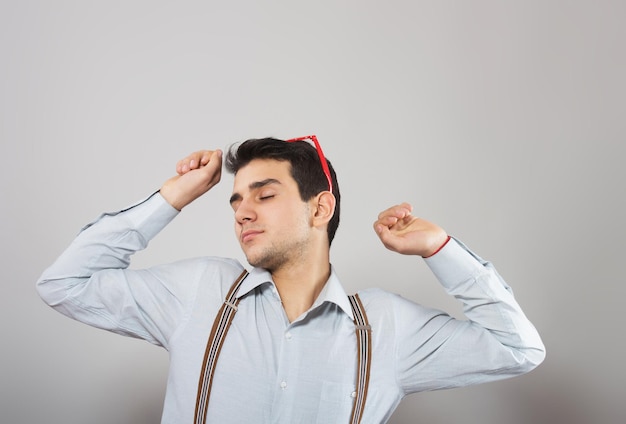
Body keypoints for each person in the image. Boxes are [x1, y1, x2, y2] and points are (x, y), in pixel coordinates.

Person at [37, 136, 545, 423]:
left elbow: (518, 349)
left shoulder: (385, 328)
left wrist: (440, 249)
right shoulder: (200, 293)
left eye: (264, 194)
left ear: (320, 206)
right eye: (236, 200)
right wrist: (172, 196)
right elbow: (64, 283)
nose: (242, 212)